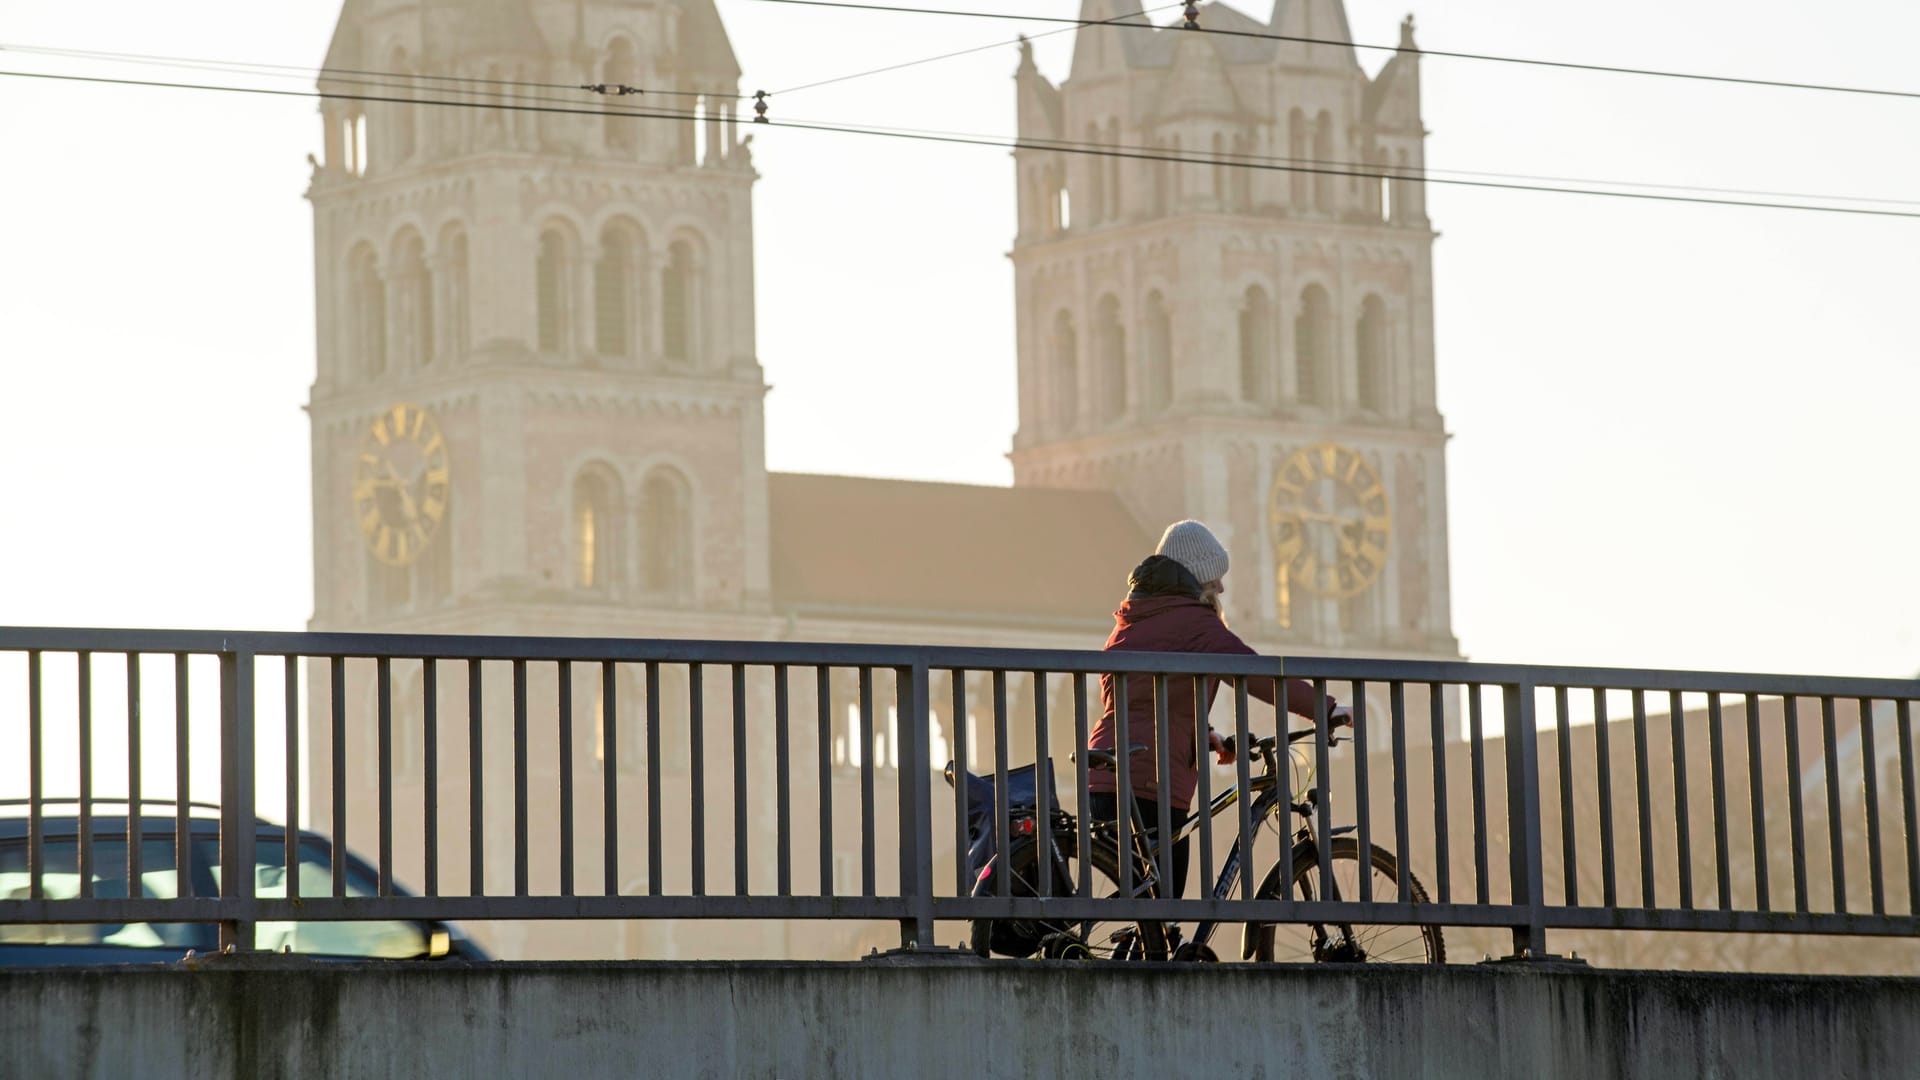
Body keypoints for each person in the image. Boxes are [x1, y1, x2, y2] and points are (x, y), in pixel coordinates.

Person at [1087, 519, 1351, 897]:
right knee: (1163, 909)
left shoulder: (1135, 615)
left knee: (1142, 903)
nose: (1222, 586)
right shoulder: (1193, 622)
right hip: (1150, 781)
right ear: (1195, 579)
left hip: (1107, 772)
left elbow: (1140, 700)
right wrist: (1324, 709)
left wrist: (1205, 735)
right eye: (1215, 578)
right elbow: (1254, 673)